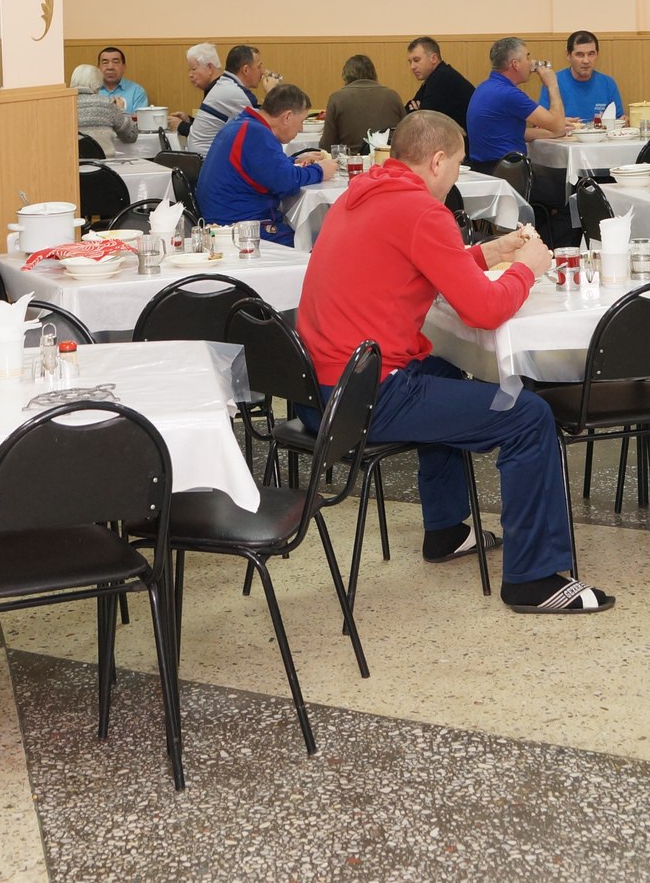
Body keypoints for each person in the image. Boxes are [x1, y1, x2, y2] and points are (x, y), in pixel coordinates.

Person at [296, 112, 612, 615]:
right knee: (529, 417)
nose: (457, 177)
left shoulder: (363, 193)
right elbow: (484, 311)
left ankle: (445, 530)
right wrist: (526, 269)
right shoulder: (422, 210)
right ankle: (534, 579)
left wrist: (492, 252)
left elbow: (423, 261)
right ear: (438, 161)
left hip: (317, 390)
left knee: (443, 371)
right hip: (363, 396)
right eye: (459, 166)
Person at [196, 83, 331, 245]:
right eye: (301, 121)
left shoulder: (243, 124)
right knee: (316, 242)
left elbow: (259, 168)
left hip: (223, 219)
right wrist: (320, 171)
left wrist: (293, 161)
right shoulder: (257, 134)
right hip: (241, 228)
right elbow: (286, 182)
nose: (301, 129)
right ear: (287, 117)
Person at [465, 36, 570, 168]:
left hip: (484, 168)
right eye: (527, 57)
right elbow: (558, 126)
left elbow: (514, 132)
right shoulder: (508, 94)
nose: (531, 62)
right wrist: (552, 84)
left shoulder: (485, 87)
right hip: (506, 170)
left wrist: (553, 131)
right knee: (559, 176)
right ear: (515, 64)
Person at [185, 41, 260, 156]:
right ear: (246, 70)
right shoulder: (234, 92)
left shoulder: (224, 85)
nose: (262, 72)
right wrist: (273, 91)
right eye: (259, 67)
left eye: (193, 69)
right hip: (206, 160)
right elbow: (265, 127)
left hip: (200, 156)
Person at [321, 54, 404, 152]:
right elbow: (406, 133)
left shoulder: (336, 98)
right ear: (373, 73)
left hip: (352, 159)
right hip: (386, 157)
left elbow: (326, 145)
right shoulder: (393, 96)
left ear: (345, 75)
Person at [548, 31, 624, 123]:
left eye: (591, 54)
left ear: (597, 54)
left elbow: (619, 120)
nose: (586, 61)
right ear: (568, 55)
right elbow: (540, 124)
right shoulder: (553, 81)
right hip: (565, 132)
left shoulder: (608, 83)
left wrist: (623, 121)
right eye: (580, 55)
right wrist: (557, 124)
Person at [404, 35, 475, 128]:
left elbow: (422, 123)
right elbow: (409, 108)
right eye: (410, 62)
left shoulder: (442, 78)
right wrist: (415, 112)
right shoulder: (436, 75)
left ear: (434, 58)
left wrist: (415, 112)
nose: (412, 67)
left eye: (416, 60)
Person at [71, 64, 141, 158]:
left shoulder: (62, 105)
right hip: (104, 164)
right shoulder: (107, 104)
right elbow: (131, 135)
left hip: (71, 164)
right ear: (97, 84)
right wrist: (121, 110)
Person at [95, 45, 149, 114]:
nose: (110, 67)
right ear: (98, 68)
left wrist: (121, 111)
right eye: (105, 63)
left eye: (115, 62)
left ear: (124, 67)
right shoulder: (91, 91)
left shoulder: (137, 92)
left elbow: (140, 119)